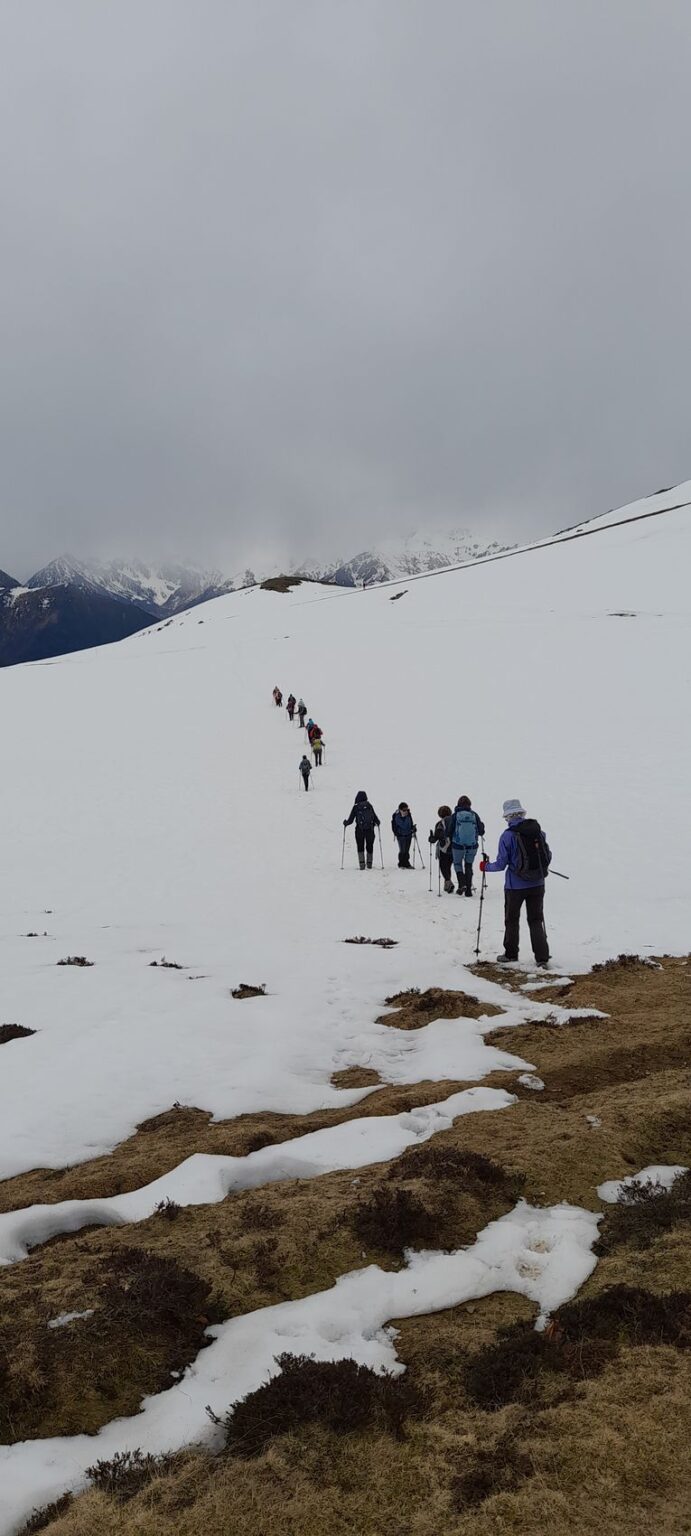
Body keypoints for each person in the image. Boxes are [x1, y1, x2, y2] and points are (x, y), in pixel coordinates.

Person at [479, 799, 551, 966]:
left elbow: (501, 864)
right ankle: (542, 957)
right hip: (538, 883)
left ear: (508, 816)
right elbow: (548, 855)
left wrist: (485, 866)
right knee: (535, 920)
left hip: (515, 886)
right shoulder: (538, 832)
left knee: (512, 919)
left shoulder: (507, 836)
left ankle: (511, 954)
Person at [447, 796, 485, 896]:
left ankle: (462, 883)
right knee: (469, 865)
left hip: (457, 845)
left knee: (457, 864)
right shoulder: (474, 815)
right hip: (472, 846)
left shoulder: (455, 815)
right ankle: (468, 890)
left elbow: (449, 831)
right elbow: (481, 831)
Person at [344, 790, 380, 870]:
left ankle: (362, 865)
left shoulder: (356, 807)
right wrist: (377, 822)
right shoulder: (369, 806)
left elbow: (350, 820)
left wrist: (345, 823)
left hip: (359, 830)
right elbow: (375, 817)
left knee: (360, 846)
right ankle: (369, 864)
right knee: (369, 846)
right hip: (370, 830)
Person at [429, 805, 454, 893]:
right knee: (449, 866)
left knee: (443, 866)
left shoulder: (439, 823)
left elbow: (436, 837)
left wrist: (431, 838)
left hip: (443, 848)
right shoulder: (454, 821)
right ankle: (448, 883)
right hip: (454, 847)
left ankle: (448, 882)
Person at [391, 802, 415, 868]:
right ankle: (401, 863)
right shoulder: (396, 816)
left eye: (407, 809)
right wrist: (397, 833)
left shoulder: (408, 815)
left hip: (408, 834)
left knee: (407, 850)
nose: (406, 811)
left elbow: (410, 823)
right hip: (401, 835)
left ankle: (406, 863)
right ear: (400, 809)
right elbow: (400, 825)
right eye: (404, 810)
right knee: (402, 850)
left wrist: (413, 828)